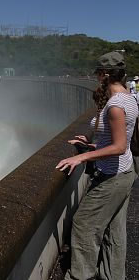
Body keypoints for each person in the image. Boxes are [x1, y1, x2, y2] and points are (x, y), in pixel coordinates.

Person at [56, 51, 138, 280]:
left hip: (113, 176)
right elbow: (116, 139)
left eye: (98, 74)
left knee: (84, 224)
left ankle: (80, 276)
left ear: (103, 75)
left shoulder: (116, 105)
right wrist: (92, 145)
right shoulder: (129, 98)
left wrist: (80, 157)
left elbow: (119, 146)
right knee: (114, 231)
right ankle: (113, 276)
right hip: (124, 171)